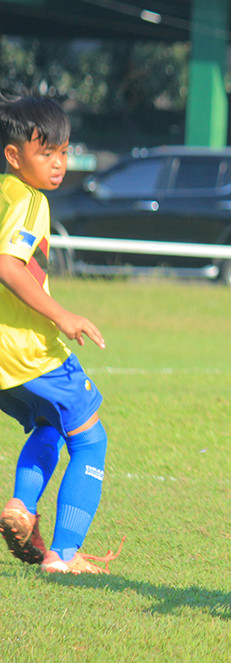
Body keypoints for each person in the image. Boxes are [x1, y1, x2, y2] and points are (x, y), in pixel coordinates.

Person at [0, 95, 120, 574]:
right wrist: (63, 315)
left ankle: (19, 507)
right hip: (30, 350)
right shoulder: (30, 202)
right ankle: (63, 555)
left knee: (49, 425)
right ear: (14, 155)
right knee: (91, 440)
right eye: (45, 153)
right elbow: (8, 265)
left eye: (64, 152)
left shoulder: (5, 191)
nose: (58, 164)